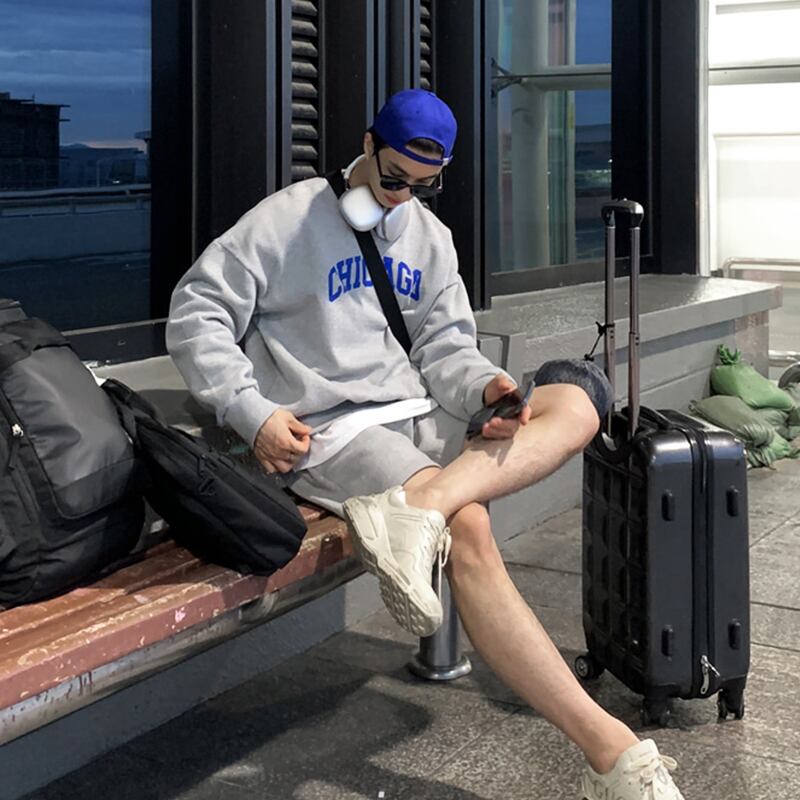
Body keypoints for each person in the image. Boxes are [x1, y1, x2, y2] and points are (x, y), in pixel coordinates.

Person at [166, 88, 686, 800]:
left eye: (423, 184)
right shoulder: (286, 220)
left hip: (418, 409)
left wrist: (487, 391)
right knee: (469, 528)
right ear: (367, 144)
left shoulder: (430, 238)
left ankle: (420, 508)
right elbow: (195, 313)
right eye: (393, 177)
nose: (402, 194)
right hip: (333, 429)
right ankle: (613, 754)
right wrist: (251, 411)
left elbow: (445, 349)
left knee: (579, 401)